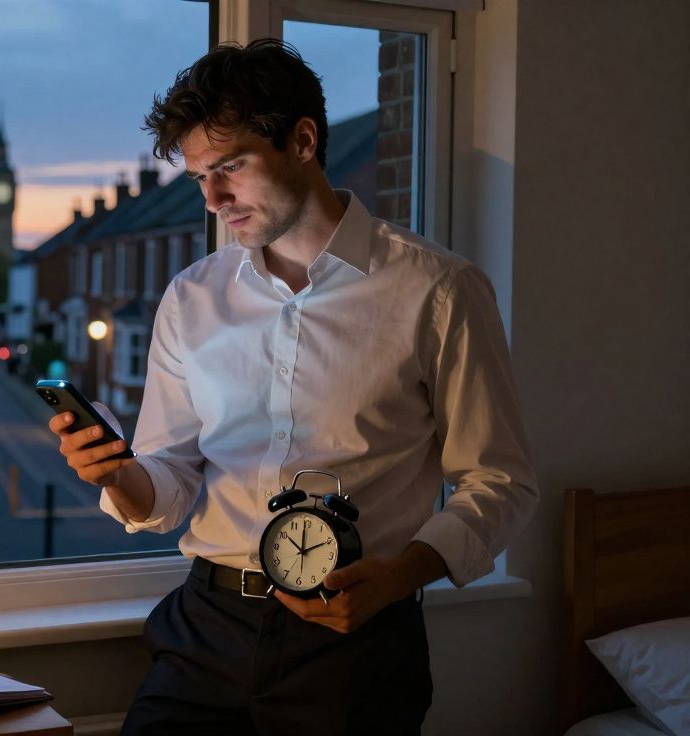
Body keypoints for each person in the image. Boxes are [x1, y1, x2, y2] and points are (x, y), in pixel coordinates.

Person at [48, 40, 538, 735]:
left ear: (302, 140)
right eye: (198, 179)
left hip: (357, 642)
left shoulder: (440, 290)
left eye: (231, 168)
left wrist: (403, 575)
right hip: (203, 633)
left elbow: (502, 481)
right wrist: (119, 475)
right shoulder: (192, 298)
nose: (214, 201)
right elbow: (172, 481)